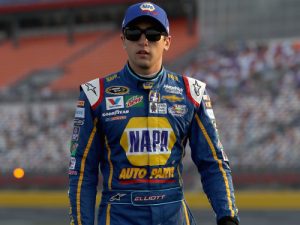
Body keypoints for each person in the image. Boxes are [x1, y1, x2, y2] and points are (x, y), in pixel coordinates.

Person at [68, 2, 239, 225]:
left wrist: (227, 216)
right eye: (133, 33)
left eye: (153, 33)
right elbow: (82, 170)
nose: (143, 40)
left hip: (174, 215)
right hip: (119, 215)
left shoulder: (192, 92)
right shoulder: (95, 94)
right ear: (123, 41)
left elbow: (213, 162)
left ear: (167, 41)